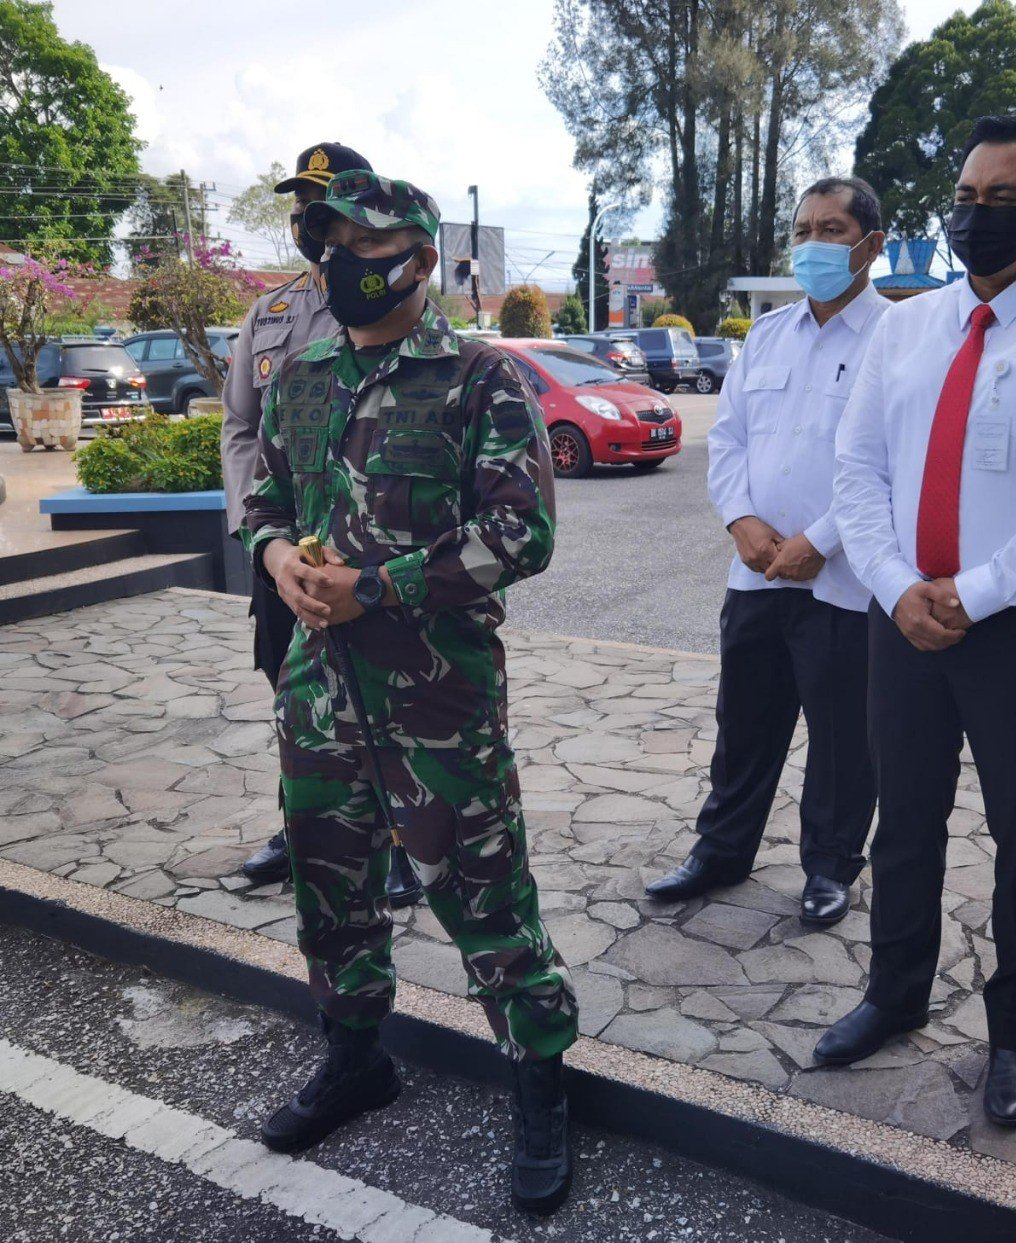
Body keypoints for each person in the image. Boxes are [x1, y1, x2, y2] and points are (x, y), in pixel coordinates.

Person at [242, 169, 577, 1214]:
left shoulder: (480, 379)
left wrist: (373, 585)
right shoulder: (303, 375)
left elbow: (521, 535)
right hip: (318, 692)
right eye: (324, 238)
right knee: (330, 887)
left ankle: (538, 1078)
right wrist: (273, 559)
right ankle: (356, 1056)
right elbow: (267, 492)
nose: (335, 256)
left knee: (485, 896)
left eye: (359, 240)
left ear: (419, 258)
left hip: (436, 700)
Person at [821, 115, 1016, 1128]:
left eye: (1000, 203)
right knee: (904, 816)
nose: (973, 217)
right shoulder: (905, 326)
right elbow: (858, 468)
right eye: (964, 197)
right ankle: (891, 991)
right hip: (901, 614)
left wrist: (977, 590)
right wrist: (894, 583)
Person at [646, 176, 886, 927]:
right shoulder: (769, 336)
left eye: (833, 230)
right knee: (744, 725)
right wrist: (741, 521)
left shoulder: (896, 340)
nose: (813, 244)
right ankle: (721, 850)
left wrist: (822, 539)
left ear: (871, 246)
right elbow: (731, 439)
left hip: (843, 580)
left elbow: (896, 461)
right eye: (804, 229)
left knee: (846, 737)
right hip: (754, 574)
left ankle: (829, 867)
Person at [223, 141, 423, 909]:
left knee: (385, 699)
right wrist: (262, 536)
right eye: (302, 206)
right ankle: (299, 820)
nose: (308, 219)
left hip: (372, 559)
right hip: (283, 556)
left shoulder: (389, 298)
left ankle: (400, 840)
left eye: (323, 203)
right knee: (293, 691)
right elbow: (241, 427)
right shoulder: (269, 314)